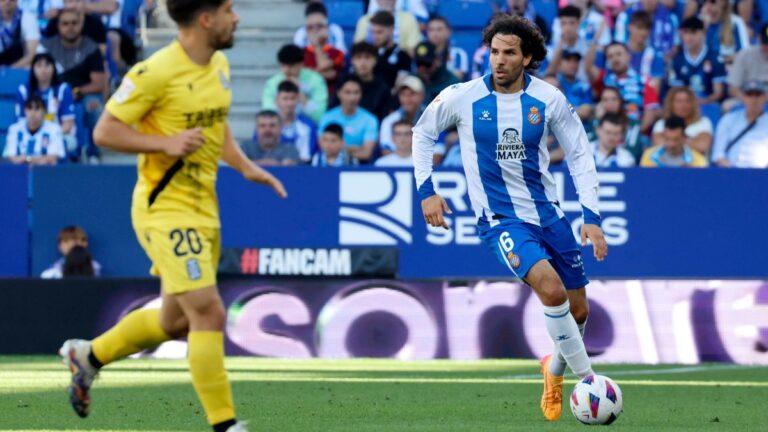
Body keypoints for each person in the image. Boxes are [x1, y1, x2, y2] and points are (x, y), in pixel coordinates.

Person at [60, 2, 287, 431]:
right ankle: (225, 424)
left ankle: (87, 357)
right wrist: (164, 143)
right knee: (209, 312)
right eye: (228, 10)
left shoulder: (219, 64)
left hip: (204, 206)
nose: (236, 17)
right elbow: (104, 131)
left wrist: (244, 166)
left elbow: (214, 128)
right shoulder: (155, 72)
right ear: (206, 19)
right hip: (164, 207)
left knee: (174, 321)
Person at [413, 15, 605, 423]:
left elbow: (580, 153)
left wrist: (591, 215)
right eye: (494, 52)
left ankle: (552, 372)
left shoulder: (549, 99)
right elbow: (422, 132)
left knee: (579, 310)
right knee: (551, 292)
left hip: (548, 215)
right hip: (499, 219)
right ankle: (590, 382)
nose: (498, 61)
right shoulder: (462, 96)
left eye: (509, 53)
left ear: (528, 57)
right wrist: (426, 190)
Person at [40, 8, 106, 162]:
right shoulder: (47, 47)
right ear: (58, 26)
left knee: (93, 106)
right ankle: (63, 152)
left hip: (84, 95)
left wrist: (77, 91)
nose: (70, 27)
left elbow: (99, 83)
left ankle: (92, 152)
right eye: (65, 23)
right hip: (55, 96)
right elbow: (39, 77)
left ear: (81, 25)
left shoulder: (91, 48)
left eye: (74, 23)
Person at [586, 39, 660, 133]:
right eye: (610, 56)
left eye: (619, 54)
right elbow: (588, 67)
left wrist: (633, 137)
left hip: (635, 133)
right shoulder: (604, 80)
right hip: (607, 133)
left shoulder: (644, 81)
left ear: (628, 56)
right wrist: (596, 38)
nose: (615, 59)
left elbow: (650, 114)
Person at [16, 52, 76, 158]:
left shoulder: (63, 89)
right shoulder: (24, 90)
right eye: (39, 65)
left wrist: (49, 135)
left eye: (47, 65)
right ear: (32, 68)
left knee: (67, 143)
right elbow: (21, 123)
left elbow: (68, 125)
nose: (43, 70)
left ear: (53, 68)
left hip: (58, 135)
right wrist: (37, 136)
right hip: (31, 135)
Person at [318, 76, 379, 163]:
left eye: (356, 92)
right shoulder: (326, 118)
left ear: (361, 94)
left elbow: (366, 153)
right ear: (339, 93)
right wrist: (353, 148)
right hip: (328, 165)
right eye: (347, 92)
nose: (352, 98)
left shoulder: (370, 120)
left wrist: (338, 150)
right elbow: (323, 148)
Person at [261, 44, 327, 123]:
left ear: (301, 64)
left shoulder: (315, 80)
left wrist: (299, 93)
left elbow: (319, 115)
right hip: (280, 124)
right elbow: (267, 112)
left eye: (291, 66)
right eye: (283, 65)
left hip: (309, 125)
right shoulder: (272, 83)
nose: (287, 70)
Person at [668, 16, 726, 105]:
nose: (689, 37)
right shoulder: (678, 60)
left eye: (693, 32)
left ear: (703, 33)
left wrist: (702, 102)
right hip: (685, 105)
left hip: (709, 104)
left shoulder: (715, 58)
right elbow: (677, 91)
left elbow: (718, 93)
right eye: (686, 33)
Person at [712, 80, 768, 168]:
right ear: (743, 97)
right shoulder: (728, 119)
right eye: (749, 95)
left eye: (758, 95)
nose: (754, 99)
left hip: (763, 175)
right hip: (732, 173)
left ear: (765, 97)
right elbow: (718, 154)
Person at [652, 86, 713, 156]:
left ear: (693, 104)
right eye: (679, 101)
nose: (683, 105)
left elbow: (702, 146)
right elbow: (658, 145)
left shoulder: (703, 122)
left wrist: (671, 140)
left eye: (687, 101)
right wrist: (691, 141)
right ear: (671, 104)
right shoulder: (661, 123)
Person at [4, 95, 64, 164]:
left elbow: (52, 158)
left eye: (37, 109)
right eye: (30, 108)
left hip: (46, 172)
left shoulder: (54, 129)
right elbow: (10, 157)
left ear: (44, 111)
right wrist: (37, 159)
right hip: (18, 172)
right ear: (25, 111)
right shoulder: (14, 129)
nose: (33, 113)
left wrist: (27, 159)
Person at [301, 6, 345, 97]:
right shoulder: (299, 54)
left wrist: (316, 45)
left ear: (327, 28)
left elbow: (326, 68)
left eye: (319, 26)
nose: (315, 30)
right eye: (310, 27)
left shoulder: (337, 53)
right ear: (305, 30)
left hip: (331, 98)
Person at [614, 0, 679, 58]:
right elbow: (620, 44)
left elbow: (676, 46)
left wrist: (660, 60)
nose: (649, 1)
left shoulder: (671, 18)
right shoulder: (625, 16)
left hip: (663, 63)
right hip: (631, 61)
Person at [354, 0, 422, 55]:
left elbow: (413, 50)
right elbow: (357, 50)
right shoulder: (364, 20)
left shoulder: (409, 18)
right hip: (371, 62)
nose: (386, 1)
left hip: (400, 61)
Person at [347, 41, 393, 121]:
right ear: (352, 61)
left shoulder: (383, 89)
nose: (363, 62)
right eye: (358, 57)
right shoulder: (344, 84)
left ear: (375, 60)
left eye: (367, 57)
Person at [365, 10, 412, 89]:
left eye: (379, 32)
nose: (375, 36)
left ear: (391, 29)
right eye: (373, 32)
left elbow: (398, 88)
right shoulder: (367, 54)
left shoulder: (403, 56)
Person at [274, 80, 316, 163]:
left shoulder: (308, 125)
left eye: (292, 98)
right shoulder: (267, 124)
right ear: (277, 100)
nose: (289, 103)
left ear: (298, 100)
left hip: (301, 170)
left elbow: (308, 156)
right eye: (285, 99)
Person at [380, 74, 425, 152]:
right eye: (403, 94)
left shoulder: (433, 118)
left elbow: (437, 154)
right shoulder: (389, 121)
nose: (407, 99)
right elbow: (386, 151)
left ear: (422, 95)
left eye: (412, 94)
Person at [640, 116, 708, 167]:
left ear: (684, 138)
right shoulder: (648, 156)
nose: (671, 144)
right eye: (667, 139)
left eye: (675, 140)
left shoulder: (699, 160)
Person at [543, 6, 589, 81]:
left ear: (579, 23)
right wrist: (561, 45)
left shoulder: (587, 46)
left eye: (572, 23)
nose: (567, 27)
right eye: (563, 23)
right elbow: (548, 74)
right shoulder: (551, 48)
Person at [624, 10, 665, 91]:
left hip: (644, 100)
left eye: (647, 29)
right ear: (629, 27)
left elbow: (655, 90)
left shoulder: (655, 55)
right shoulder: (619, 52)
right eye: (639, 28)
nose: (643, 32)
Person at [727, 23, 768, 100]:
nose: (767, 48)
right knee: (727, 106)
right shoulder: (745, 55)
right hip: (747, 101)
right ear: (759, 39)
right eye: (765, 44)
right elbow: (733, 89)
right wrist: (750, 102)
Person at [426, 16, 468, 81]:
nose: (435, 34)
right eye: (431, 30)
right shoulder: (422, 53)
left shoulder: (458, 54)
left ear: (448, 32)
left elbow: (458, 79)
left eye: (439, 29)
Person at [0, 0, 40, 67]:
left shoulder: (28, 18)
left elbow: (31, 54)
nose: (7, 1)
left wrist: (9, 70)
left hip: (20, 66)